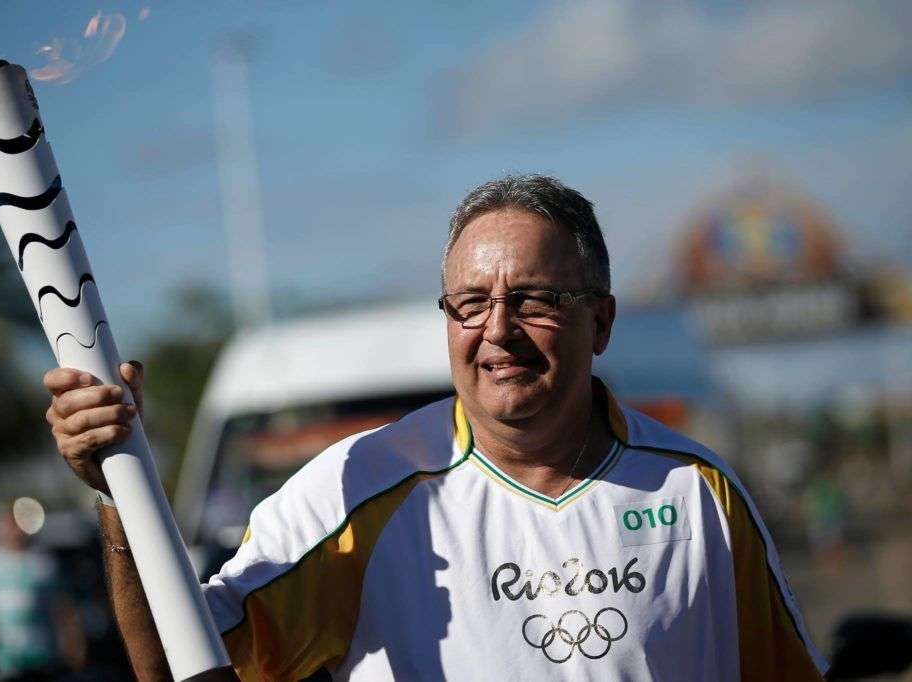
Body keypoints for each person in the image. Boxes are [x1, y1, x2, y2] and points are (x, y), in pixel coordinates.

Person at [44, 175, 827, 681]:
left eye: (535, 299)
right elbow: (176, 665)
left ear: (602, 321)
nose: (498, 330)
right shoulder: (353, 495)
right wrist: (120, 490)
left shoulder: (698, 493)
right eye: (470, 304)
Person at [0, 505, 84, 681]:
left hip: (42, 660)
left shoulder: (45, 563)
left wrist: (74, 645)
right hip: (2, 664)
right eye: (8, 522)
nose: (13, 528)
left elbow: (63, 609)